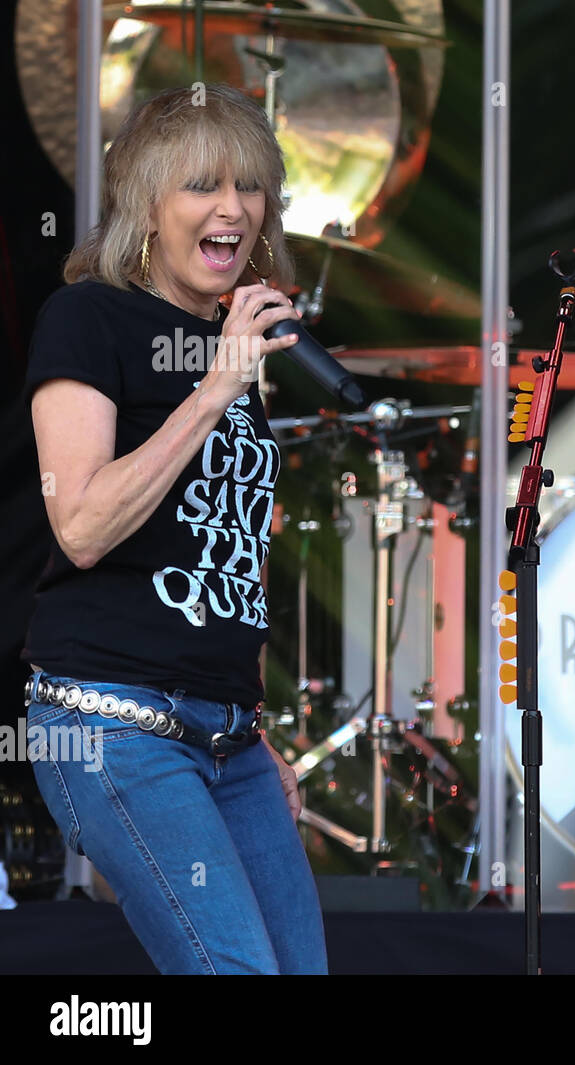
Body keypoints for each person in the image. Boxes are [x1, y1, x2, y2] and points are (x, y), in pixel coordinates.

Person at [20, 84, 327, 974]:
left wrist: (256, 725)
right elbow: (79, 525)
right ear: (148, 209)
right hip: (114, 725)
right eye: (201, 185)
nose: (233, 207)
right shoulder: (89, 318)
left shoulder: (224, 350)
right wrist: (215, 391)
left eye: (250, 186)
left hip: (225, 736)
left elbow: (228, 552)